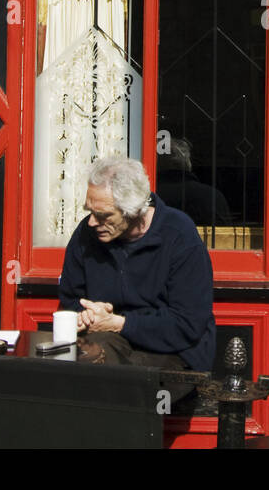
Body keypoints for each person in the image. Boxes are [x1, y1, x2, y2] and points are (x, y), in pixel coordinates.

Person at [58, 156, 215, 373]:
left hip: (174, 351)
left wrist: (120, 323)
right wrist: (87, 315)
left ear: (132, 211)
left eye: (103, 215)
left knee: (126, 379)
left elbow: (186, 324)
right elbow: (70, 299)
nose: (92, 222)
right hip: (108, 342)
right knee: (83, 366)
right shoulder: (86, 236)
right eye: (89, 211)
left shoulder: (179, 236)